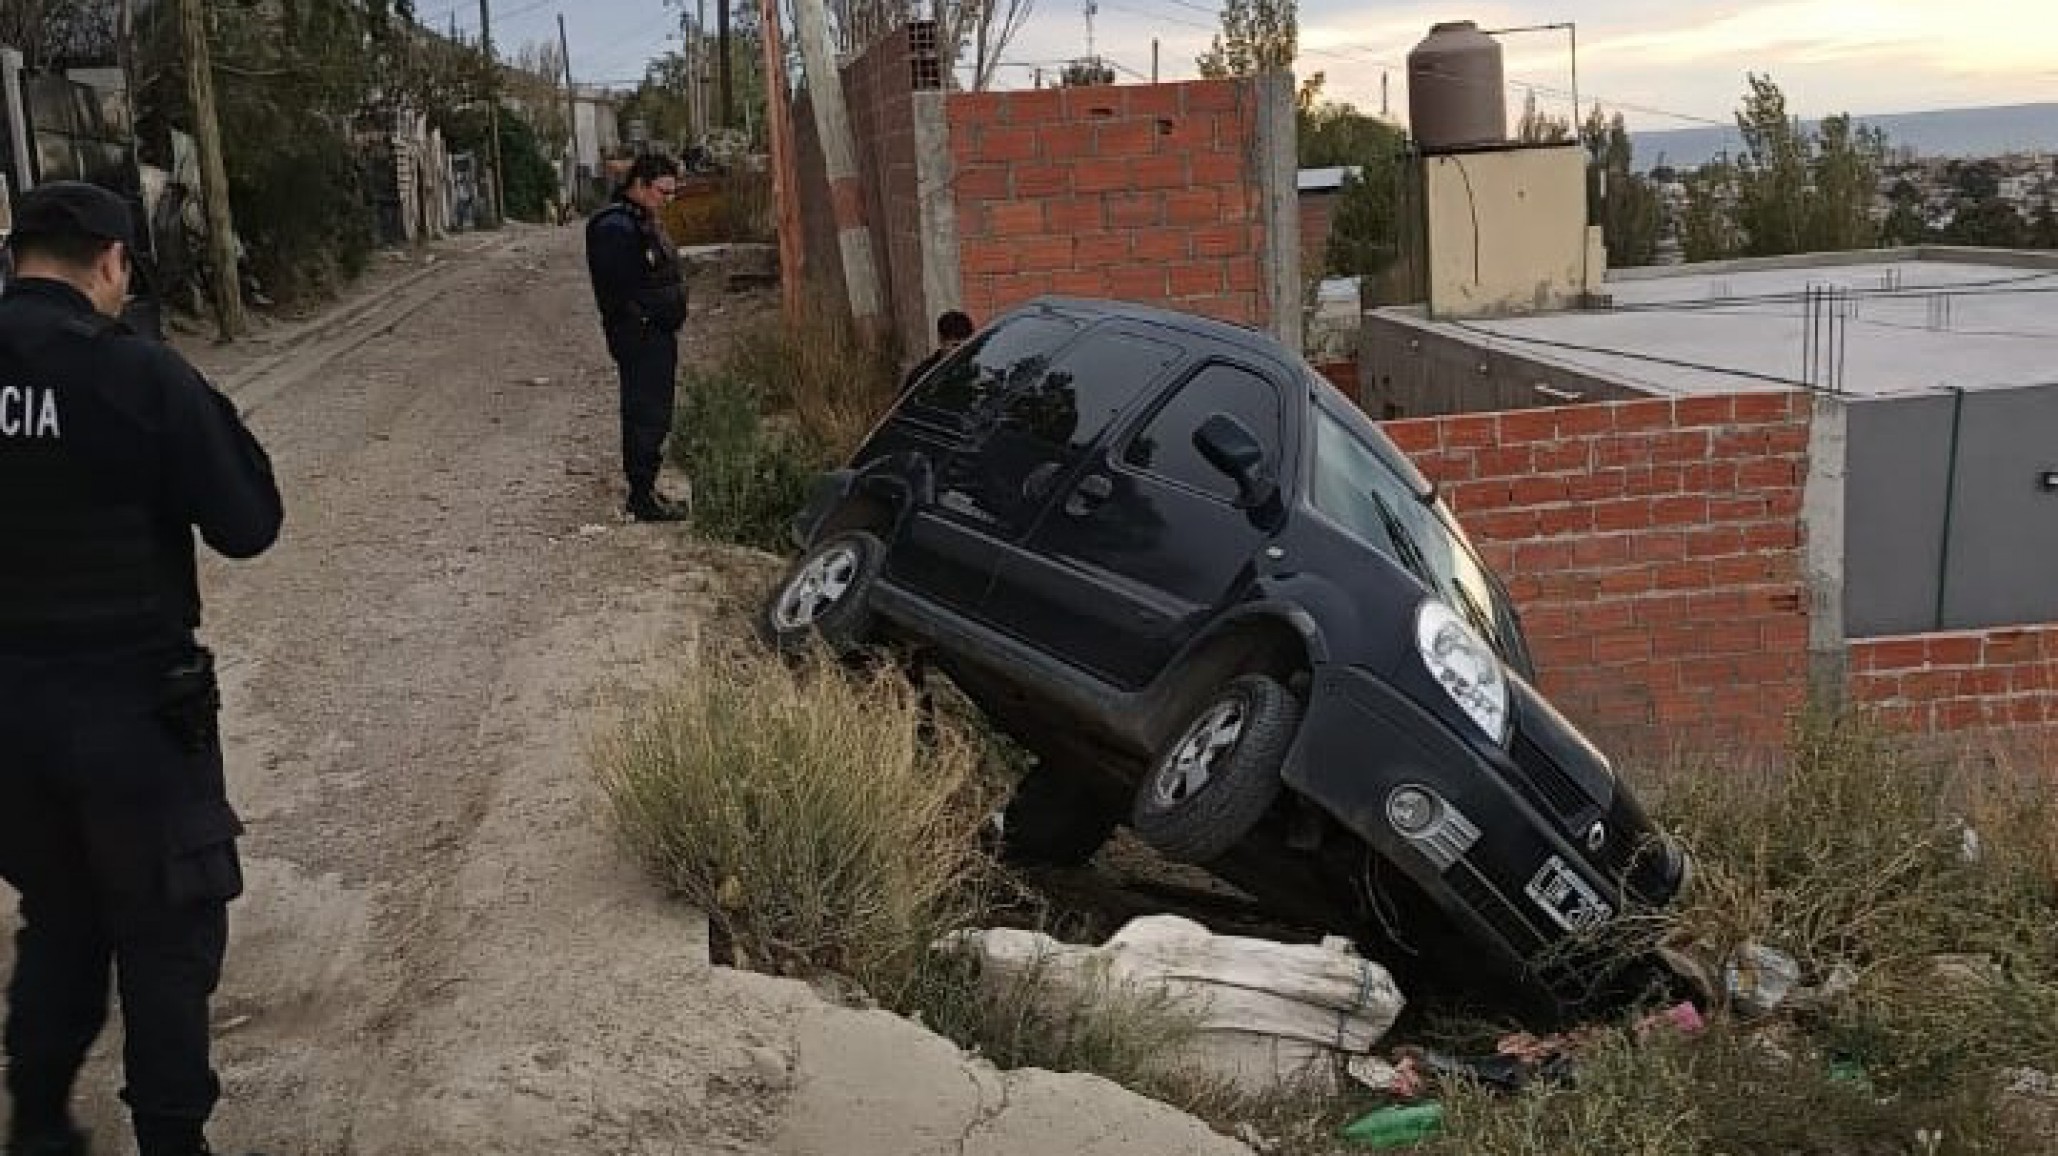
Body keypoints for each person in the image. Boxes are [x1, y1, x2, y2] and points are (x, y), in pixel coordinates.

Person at [0, 182, 283, 1156]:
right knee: (166, 931)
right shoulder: (142, 376)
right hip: (132, 714)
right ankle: (171, 1139)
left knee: (61, 918)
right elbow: (249, 524)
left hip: (9, 715)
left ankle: (37, 1125)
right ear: (115, 263)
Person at [585, 154, 688, 523]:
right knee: (646, 414)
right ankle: (641, 496)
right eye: (663, 192)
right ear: (641, 185)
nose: (667, 200)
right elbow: (621, 289)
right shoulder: (616, 226)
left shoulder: (638, 221)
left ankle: (646, 489)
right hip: (640, 336)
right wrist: (645, 318)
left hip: (654, 333)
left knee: (655, 414)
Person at [902, 309, 975, 392]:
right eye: (955, 345)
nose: (960, 351)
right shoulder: (923, 375)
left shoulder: (977, 370)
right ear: (941, 341)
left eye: (965, 346)